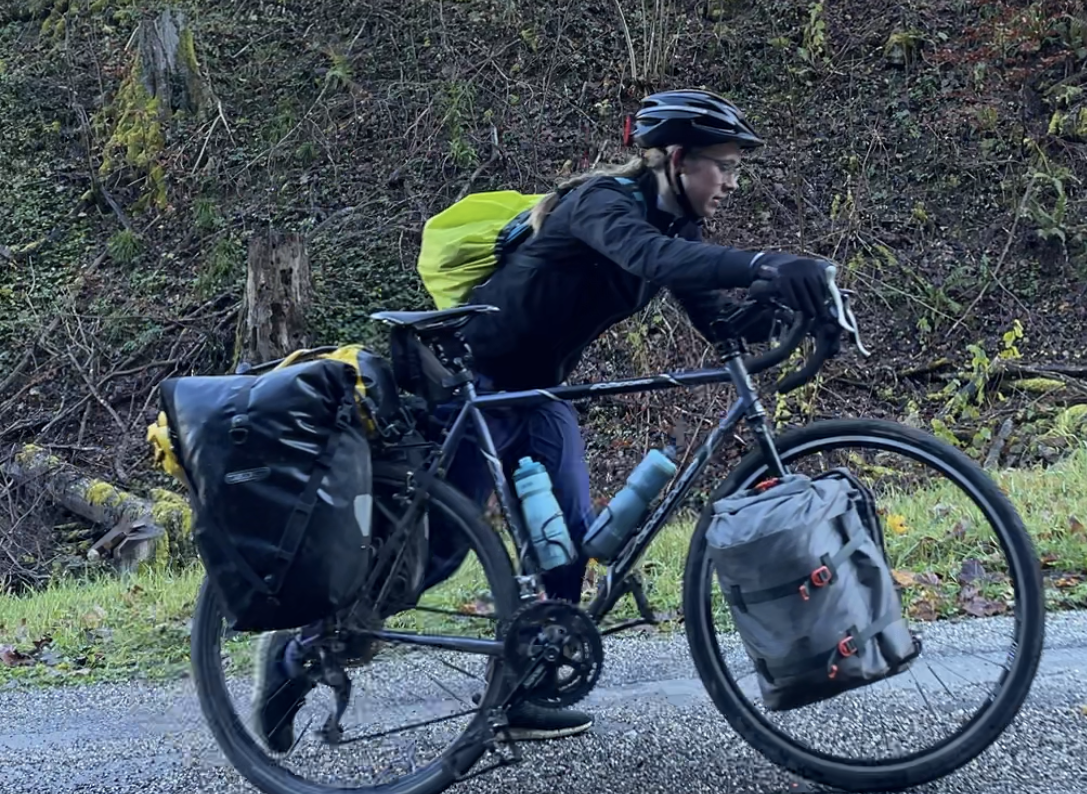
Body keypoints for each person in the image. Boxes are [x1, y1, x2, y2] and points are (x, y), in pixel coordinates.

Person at [254, 89, 839, 752]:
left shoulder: (679, 228)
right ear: (677, 159)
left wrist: (788, 305)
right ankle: (297, 654)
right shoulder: (601, 204)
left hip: (536, 392)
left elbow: (721, 323)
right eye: (724, 166)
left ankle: (522, 689)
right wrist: (764, 261)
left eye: (736, 169)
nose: (732, 183)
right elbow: (652, 261)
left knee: (570, 548)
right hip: (472, 381)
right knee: (434, 554)